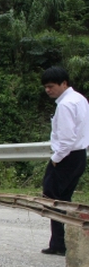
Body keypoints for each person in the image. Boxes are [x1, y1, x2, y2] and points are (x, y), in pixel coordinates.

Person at [40, 66, 89, 255]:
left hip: (67, 157)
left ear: (64, 83)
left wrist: (56, 158)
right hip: (78, 156)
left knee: (53, 200)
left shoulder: (66, 104)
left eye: (51, 86)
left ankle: (59, 244)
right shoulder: (80, 99)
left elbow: (67, 138)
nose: (48, 90)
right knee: (64, 199)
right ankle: (63, 242)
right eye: (45, 87)